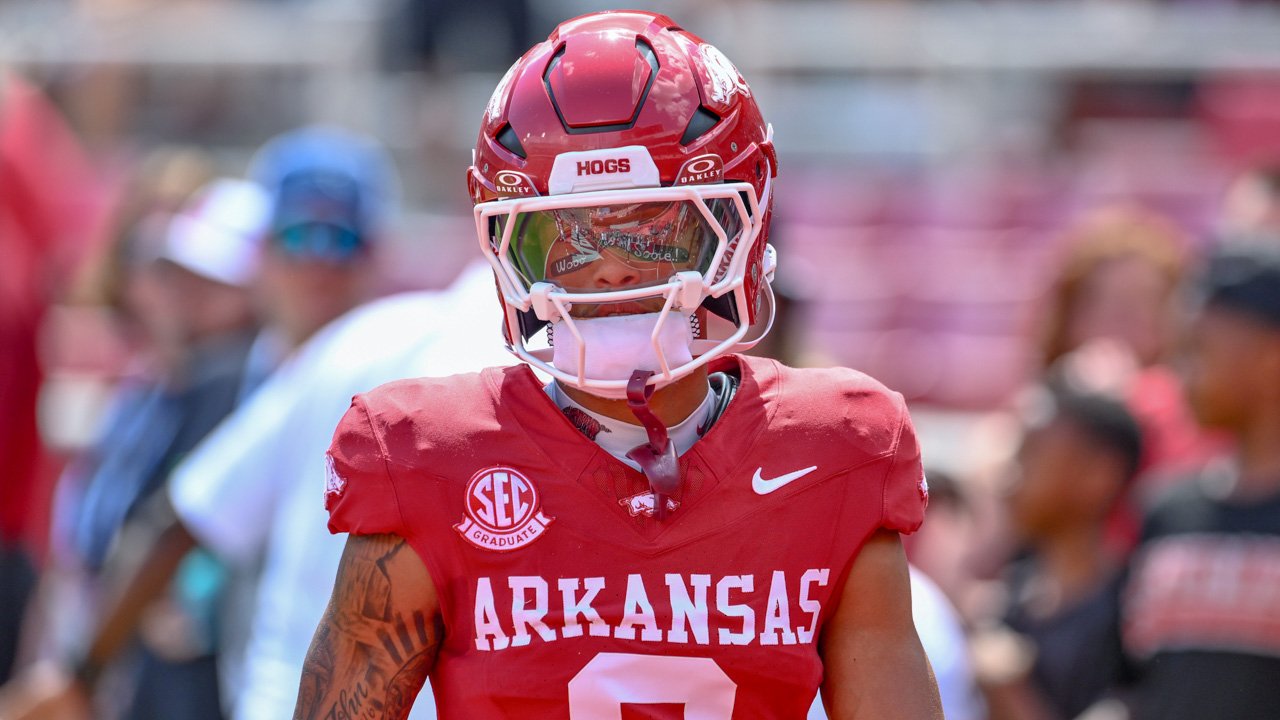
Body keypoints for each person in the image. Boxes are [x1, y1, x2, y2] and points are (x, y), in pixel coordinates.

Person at [296, 10, 943, 719]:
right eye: (566, 233)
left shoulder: (835, 452)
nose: (610, 269)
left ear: (739, 228)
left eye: (651, 227)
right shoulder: (429, 457)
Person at [1113, 244, 1280, 720]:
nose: (1180, 375)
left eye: (1198, 350)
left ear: (1271, 355)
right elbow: (1133, 685)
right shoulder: (1167, 509)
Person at [975, 386, 1140, 720]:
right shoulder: (1006, 594)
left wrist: (1008, 691)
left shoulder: (1133, 613)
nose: (1009, 478)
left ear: (1098, 475)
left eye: (1031, 455)